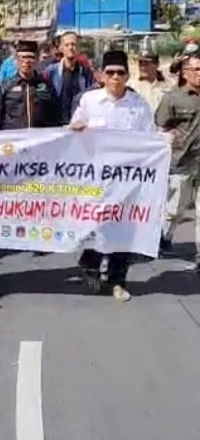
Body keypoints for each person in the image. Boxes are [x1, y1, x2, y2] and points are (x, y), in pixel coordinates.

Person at [71, 50, 156, 302]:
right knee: (98, 224)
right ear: (102, 75)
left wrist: (164, 142)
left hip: (128, 179)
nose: (115, 77)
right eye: (110, 72)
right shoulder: (90, 101)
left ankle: (118, 280)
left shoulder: (138, 105)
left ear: (127, 76)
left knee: (125, 229)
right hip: (97, 177)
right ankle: (90, 264)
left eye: (120, 72)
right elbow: (71, 133)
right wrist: (76, 128)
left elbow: (150, 139)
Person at [155, 53, 200, 262]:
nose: (199, 73)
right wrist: (171, 137)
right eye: (196, 69)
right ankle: (163, 238)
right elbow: (160, 126)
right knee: (175, 209)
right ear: (185, 73)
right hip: (181, 163)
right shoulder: (172, 98)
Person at [0, 41, 61, 130]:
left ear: (37, 59)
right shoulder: (5, 87)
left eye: (31, 57)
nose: (26, 61)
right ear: (16, 60)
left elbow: (56, 116)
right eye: (22, 57)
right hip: (13, 137)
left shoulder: (46, 85)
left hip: (40, 136)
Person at [46, 31, 93, 124]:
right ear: (61, 48)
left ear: (79, 48)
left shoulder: (86, 73)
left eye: (73, 44)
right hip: (56, 123)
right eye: (67, 45)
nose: (70, 48)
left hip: (78, 123)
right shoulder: (51, 71)